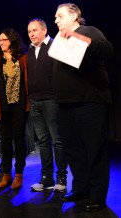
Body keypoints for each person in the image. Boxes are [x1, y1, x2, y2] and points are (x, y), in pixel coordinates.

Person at [53, 3, 113, 212]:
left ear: (74, 16)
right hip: (65, 105)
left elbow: (106, 49)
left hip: (90, 102)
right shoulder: (59, 40)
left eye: (60, 16)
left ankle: (97, 195)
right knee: (73, 151)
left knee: (94, 150)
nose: (56, 20)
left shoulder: (88, 31)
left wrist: (78, 37)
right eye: (55, 17)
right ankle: (81, 187)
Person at [27, 18, 68, 192]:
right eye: (29, 31)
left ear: (44, 30)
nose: (31, 34)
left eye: (34, 30)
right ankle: (47, 177)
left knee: (57, 140)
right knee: (43, 141)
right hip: (35, 100)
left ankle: (61, 177)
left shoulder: (54, 46)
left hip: (51, 100)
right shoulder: (29, 50)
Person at [0, 28, 29, 189]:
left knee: (18, 139)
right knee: (4, 140)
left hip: (19, 104)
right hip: (2, 106)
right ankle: (6, 174)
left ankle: (19, 174)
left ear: (12, 40)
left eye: (4, 40)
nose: (1, 42)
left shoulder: (23, 59)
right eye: (0, 40)